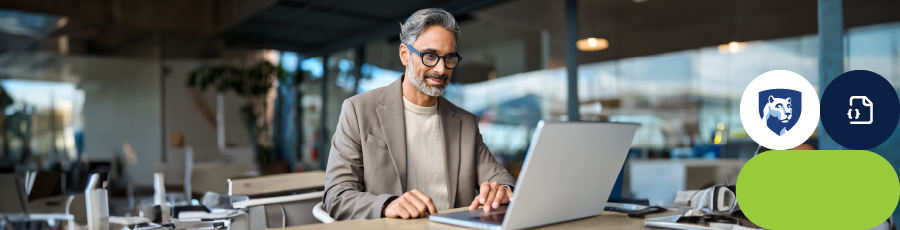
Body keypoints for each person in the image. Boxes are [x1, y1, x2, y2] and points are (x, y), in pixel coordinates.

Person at [322, 8, 516, 220]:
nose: (441, 69)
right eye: (430, 56)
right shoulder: (358, 110)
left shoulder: (465, 122)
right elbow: (337, 195)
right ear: (405, 54)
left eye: (449, 58)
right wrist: (387, 205)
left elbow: (498, 175)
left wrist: (502, 188)